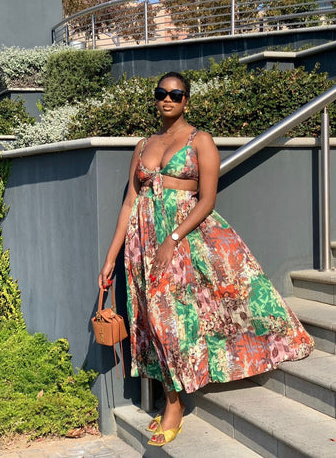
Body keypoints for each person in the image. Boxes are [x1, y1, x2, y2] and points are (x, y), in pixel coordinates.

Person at [99, 71, 314, 446]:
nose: (167, 99)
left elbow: (207, 200)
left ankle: (174, 406)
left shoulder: (201, 140)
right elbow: (130, 203)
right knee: (153, 322)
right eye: (161, 93)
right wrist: (110, 258)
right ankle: (172, 397)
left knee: (170, 323)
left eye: (175, 94)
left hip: (179, 240)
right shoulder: (144, 145)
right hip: (141, 244)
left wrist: (173, 239)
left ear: (186, 100)